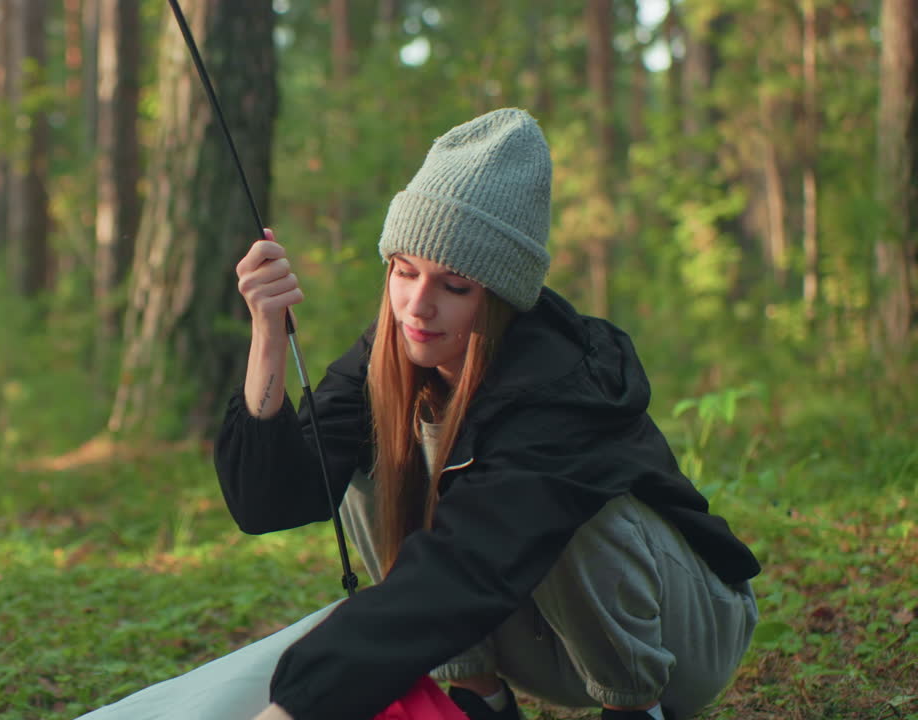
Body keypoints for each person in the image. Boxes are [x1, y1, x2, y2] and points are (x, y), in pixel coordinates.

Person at [214, 108, 760, 720]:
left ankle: (639, 710)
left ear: (499, 295)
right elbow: (272, 501)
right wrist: (266, 334)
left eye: (455, 286)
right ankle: (480, 698)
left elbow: (463, 567)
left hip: (682, 638)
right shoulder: (389, 358)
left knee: (580, 510)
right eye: (404, 271)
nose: (417, 306)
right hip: (541, 639)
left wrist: (302, 702)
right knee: (374, 457)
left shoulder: (559, 385)